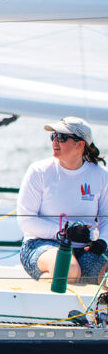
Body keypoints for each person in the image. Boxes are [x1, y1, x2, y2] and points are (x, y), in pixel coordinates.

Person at [16, 116, 108, 284]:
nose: (55, 142)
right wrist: (64, 233)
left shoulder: (101, 175)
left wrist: (103, 241)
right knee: (69, 270)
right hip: (41, 244)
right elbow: (26, 221)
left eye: (62, 137)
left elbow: (106, 218)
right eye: (54, 136)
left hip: (84, 249)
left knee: (100, 277)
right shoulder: (39, 171)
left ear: (80, 145)